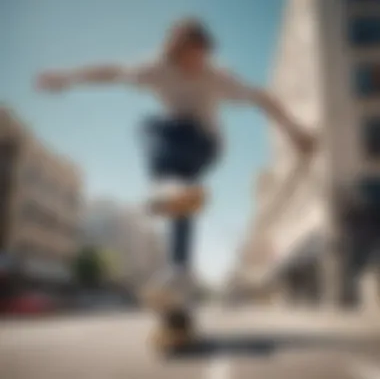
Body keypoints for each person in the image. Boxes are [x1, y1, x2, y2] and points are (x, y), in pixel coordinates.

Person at [36, 18, 316, 306]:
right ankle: (180, 268)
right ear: (175, 52)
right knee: (177, 189)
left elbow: (263, 98)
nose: (197, 66)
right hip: (174, 147)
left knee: (163, 139)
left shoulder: (216, 75)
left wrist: (296, 132)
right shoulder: (155, 69)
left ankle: (167, 191)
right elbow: (112, 72)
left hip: (205, 146)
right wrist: (68, 77)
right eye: (191, 59)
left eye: (202, 58)